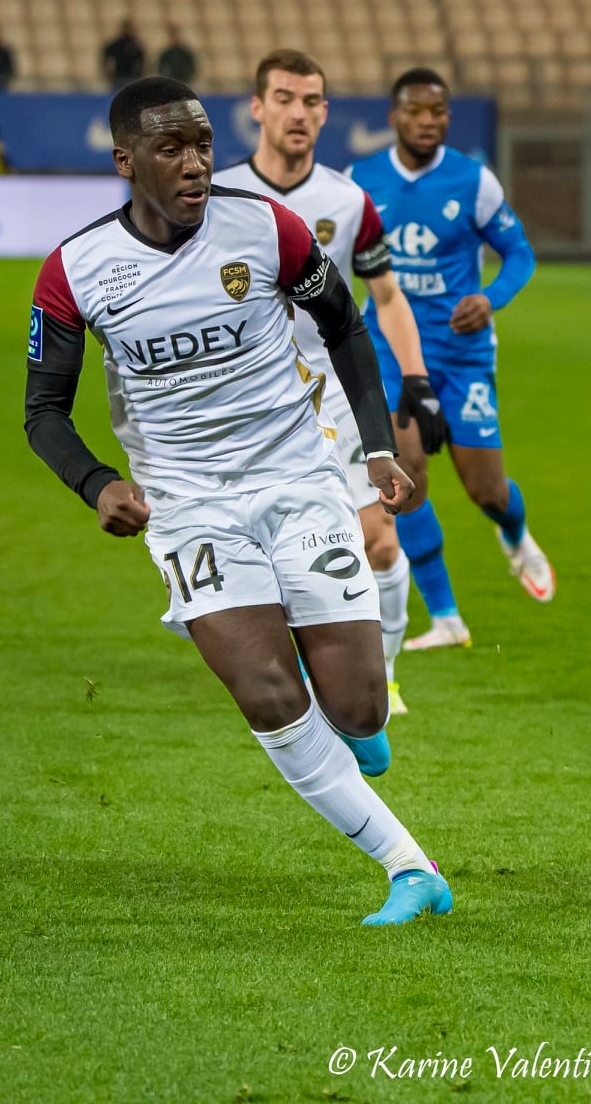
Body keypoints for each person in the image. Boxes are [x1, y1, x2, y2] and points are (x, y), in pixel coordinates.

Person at [22, 77, 453, 926]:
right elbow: (42, 412)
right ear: (125, 161)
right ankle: (410, 869)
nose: (194, 164)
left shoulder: (266, 229)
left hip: (299, 482)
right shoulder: (74, 271)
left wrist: (373, 447)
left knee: (359, 707)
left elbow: (345, 325)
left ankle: (353, 725)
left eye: (202, 145)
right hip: (189, 508)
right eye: (170, 149)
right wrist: (97, 481)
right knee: (264, 688)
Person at [213, 50, 451, 713]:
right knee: (267, 567)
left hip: (337, 401)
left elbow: (389, 297)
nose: (299, 112)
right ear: (257, 108)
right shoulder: (218, 199)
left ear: (325, 113)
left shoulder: (349, 202)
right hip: (249, 414)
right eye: (284, 98)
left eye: (312, 100)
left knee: (379, 541)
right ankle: (295, 676)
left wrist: (417, 380)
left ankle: (386, 675)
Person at [350, 67, 552, 651]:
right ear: (394, 118)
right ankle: (446, 617)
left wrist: (490, 299)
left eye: (438, 111)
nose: (429, 121)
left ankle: (515, 534)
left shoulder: (473, 181)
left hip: (463, 357)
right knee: (403, 481)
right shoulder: (359, 182)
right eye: (416, 111)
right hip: (387, 353)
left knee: (486, 489)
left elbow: (518, 254)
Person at [101, 19, 145, 89]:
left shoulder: (135, 45)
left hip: (131, 78)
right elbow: (106, 56)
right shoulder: (116, 44)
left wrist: (138, 74)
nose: (127, 30)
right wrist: (108, 73)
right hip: (118, 77)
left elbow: (141, 60)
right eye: (125, 28)